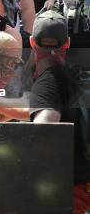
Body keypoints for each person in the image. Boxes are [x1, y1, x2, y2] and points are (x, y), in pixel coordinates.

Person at [28, 11, 89, 214]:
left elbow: (45, 127)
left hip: (68, 190)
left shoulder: (47, 82)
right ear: (67, 43)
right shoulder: (75, 73)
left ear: (31, 42)